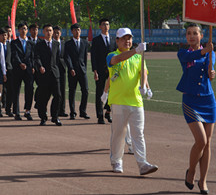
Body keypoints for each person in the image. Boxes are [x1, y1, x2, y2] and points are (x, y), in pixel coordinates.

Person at [101, 27, 158, 175]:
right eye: (124, 38)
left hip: (136, 101)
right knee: (119, 133)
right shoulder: (111, 55)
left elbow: (143, 72)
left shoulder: (139, 57)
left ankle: (142, 163)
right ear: (117, 40)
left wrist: (144, 86)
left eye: (130, 38)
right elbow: (117, 60)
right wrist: (105, 93)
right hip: (119, 101)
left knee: (138, 134)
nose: (128, 41)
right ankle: (116, 161)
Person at [178, 23, 216, 194]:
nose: (192, 36)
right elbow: (190, 57)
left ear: (201, 35)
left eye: (195, 33)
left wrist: (211, 72)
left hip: (208, 100)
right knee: (201, 140)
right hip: (190, 101)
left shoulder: (210, 53)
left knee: (208, 143)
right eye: (189, 33)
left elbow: (210, 70)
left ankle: (203, 181)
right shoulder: (183, 53)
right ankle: (191, 171)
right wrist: (205, 51)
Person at [34, 24, 62, 126]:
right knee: (43, 98)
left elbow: (58, 58)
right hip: (43, 75)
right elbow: (36, 58)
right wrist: (40, 66)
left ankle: (55, 117)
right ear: (43, 32)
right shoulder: (39, 45)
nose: (49, 32)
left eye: (50, 30)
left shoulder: (56, 44)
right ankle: (43, 117)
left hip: (55, 74)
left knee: (58, 96)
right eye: (47, 30)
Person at [91, 18, 117, 124]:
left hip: (111, 71)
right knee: (100, 93)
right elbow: (93, 56)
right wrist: (95, 71)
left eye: (107, 24)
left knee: (113, 92)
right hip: (100, 70)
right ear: (100, 27)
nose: (106, 26)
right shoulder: (96, 40)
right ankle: (100, 116)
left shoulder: (113, 40)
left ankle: (108, 111)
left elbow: (116, 55)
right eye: (103, 24)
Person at [64, 23, 90, 120]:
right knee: (72, 91)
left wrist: (85, 69)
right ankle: (72, 112)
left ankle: (82, 111)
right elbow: (67, 57)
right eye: (75, 30)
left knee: (86, 91)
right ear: (72, 31)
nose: (77, 32)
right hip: (72, 71)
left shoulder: (84, 43)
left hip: (82, 71)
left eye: (78, 30)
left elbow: (84, 57)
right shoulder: (68, 44)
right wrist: (71, 68)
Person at [10, 22, 35, 121]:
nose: (23, 31)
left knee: (30, 89)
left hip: (28, 69)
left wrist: (32, 66)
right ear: (18, 30)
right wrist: (20, 63)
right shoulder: (14, 43)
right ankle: (16, 112)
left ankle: (27, 111)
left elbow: (33, 56)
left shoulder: (31, 43)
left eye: (25, 29)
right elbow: (14, 55)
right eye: (21, 29)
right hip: (17, 69)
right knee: (16, 91)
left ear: (27, 30)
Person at [53, 26, 68, 117]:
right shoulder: (51, 43)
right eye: (54, 32)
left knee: (62, 89)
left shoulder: (63, 43)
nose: (56, 34)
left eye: (58, 32)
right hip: (53, 68)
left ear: (60, 33)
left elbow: (66, 56)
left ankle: (61, 110)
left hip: (62, 69)